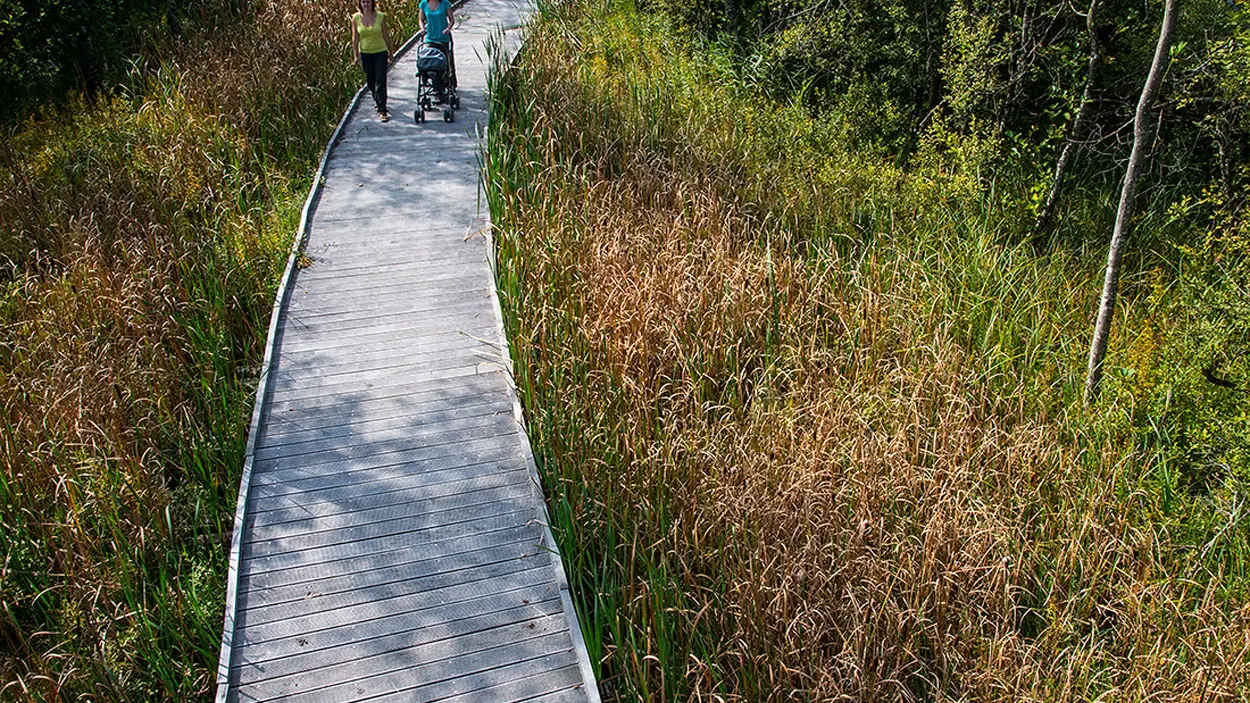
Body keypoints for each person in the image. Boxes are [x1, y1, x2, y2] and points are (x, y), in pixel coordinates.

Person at [351, 0, 393, 121]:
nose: (366, 5)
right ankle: (378, 100)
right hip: (365, 53)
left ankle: (382, 110)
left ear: (372, 3)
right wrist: (355, 56)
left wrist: (390, 52)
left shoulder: (380, 16)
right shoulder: (355, 18)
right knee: (370, 80)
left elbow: (385, 35)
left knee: (380, 80)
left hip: (380, 52)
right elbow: (355, 38)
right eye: (363, 2)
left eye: (368, 2)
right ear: (360, 4)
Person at [419, 0, 456, 97]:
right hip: (430, 38)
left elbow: (452, 20)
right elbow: (421, 19)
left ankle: (449, 84)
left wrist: (448, 28)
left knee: (446, 63)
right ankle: (436, 86)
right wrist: (422, 29)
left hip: (443, 38)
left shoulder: (445, 3)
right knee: (432, 63)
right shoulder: (424, 4)